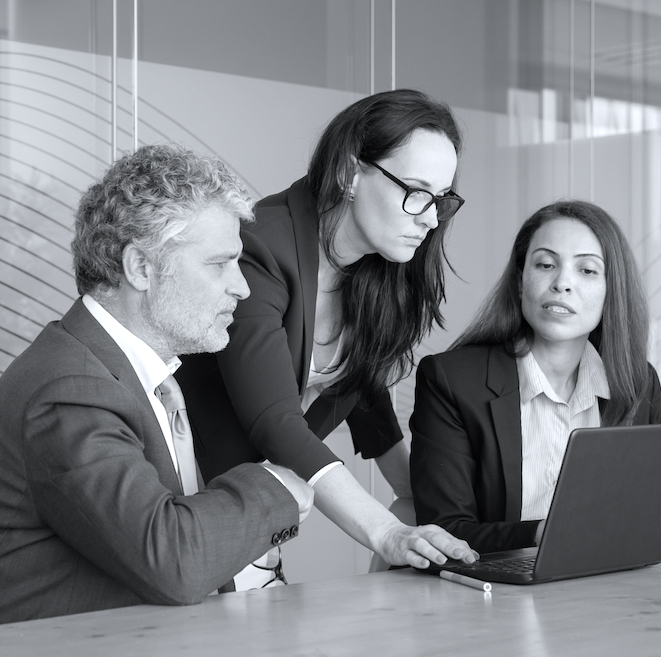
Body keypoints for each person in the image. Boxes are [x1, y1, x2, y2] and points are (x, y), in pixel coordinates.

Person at [0, 144, 313, 628]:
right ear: (140, 268)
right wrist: (278, 487)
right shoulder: (70, 389)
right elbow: (175, 561)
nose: (242, 288)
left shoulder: (140, 376)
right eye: (219, 264)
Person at [176, 89, 476, 571]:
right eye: (416, 192)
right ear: (350, 173)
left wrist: (415, 492)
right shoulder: (261, 247)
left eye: (442, 199)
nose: (432, 217)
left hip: (254, 508)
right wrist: (387, 531)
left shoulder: (378, 267)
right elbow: (275, 419)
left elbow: (364, 387)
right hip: (186, 502)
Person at [410, 199, 661, 555]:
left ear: (610, 291)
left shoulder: (634, 383)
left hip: (605, 592)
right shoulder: (453, 380)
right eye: (545, 264)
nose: (562, 282)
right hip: (493, 595)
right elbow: (445, 530)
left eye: (587, 270)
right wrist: (543, 534)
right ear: (520, 281)